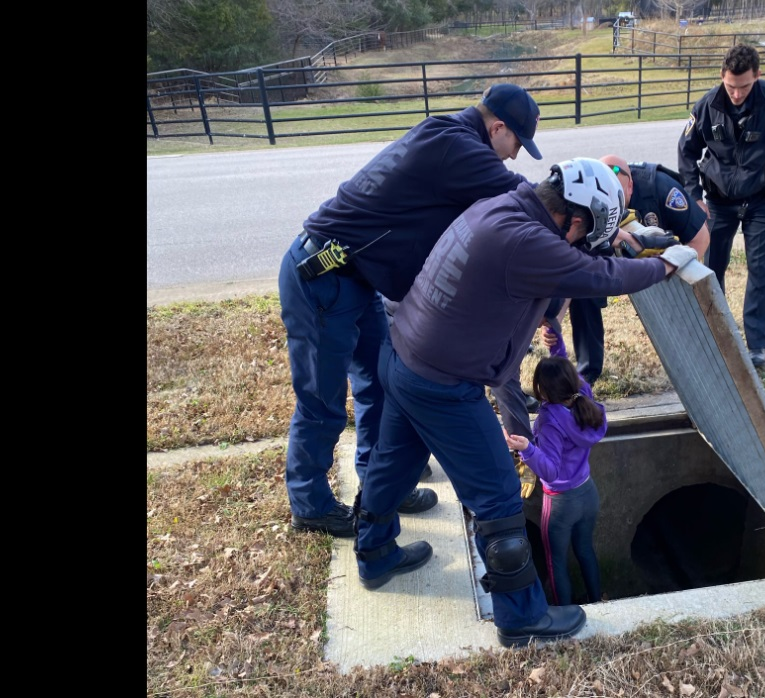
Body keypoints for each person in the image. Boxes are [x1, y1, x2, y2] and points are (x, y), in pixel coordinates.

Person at [352, 157, 699, 648]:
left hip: (403, 355)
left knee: (393, 462)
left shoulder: (504, 207)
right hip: (443, 383)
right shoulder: (530, 241)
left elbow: (554, 280)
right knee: (497, 496)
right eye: (583, 235)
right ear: (573, 218)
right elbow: (599, 277)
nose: (580, 244)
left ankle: (373, 553)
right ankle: (521, 617)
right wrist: (664, 264)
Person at [278, 83, 544, 538]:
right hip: (323, 276)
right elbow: (528, 199)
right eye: (517, 142)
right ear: (497, 127)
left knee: (379, 386)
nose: (515, 154)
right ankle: (309, 504)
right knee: (322, 402)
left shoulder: (447, 135)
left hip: (356, 278)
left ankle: (379, 484)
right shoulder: (458, 147)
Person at [677, 43, 765, 369]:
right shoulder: (707, 105)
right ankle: (719, 336)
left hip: (762, 200)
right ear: (722, 76)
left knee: (760, 270)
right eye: (731, 86)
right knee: (711, 269)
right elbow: (686, 152)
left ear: (757, 76)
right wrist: (694, 196)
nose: (736, 94)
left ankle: (757, 346)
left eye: (744, 87)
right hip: (718, 202)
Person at [561, 154, 711, 386]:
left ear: (630, 185)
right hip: (611, 244)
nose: (616, 203)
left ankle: (692, 358)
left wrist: (677, 277)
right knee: (584, 284)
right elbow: (571, 258)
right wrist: (555, 316)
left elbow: (700, 239)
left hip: (659, 252)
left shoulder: (661, 188)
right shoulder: (590, 194)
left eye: (620, 196)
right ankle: (587, 370)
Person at [504, 321, 606, 606]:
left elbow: (550, 470)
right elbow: (564, 370)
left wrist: (526, 449)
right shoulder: (582, 392)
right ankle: (598, 599)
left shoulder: (549, 421)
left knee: (555, 561)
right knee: (585, 550)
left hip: (561, 502)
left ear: (544, 392)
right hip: (588, 492)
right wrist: (555, 343)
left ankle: (564, 611)